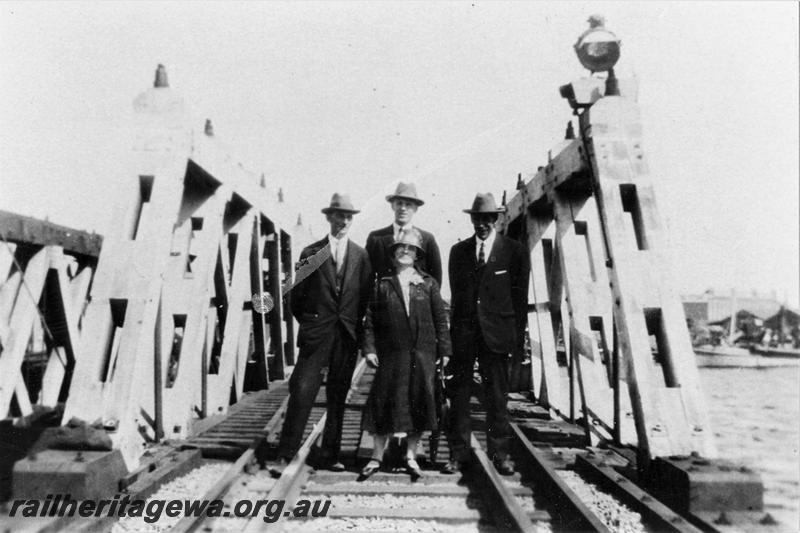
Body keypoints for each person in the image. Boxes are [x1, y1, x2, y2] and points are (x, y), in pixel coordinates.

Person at [272, 193, 373, 474]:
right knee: (303, 391)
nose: (343, 221)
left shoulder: (361, 256)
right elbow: (296, 297)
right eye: (339, 215)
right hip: (317, 334)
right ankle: (286, 453)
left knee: (338, 396)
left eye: (348, 216)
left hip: (346, 336)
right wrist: (311, 323)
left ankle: (331, 454)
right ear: (329, 217)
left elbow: (364, 297)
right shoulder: (311, 253)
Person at [442, 192, 530, 476]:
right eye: (477, 219)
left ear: (495, 220)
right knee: (459, 396)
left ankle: (500, 454)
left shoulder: (515, 251)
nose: (481, 224)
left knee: (497, 397)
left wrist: (516, 342)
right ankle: (458, 454)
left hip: (497, 335)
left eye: (486, 219)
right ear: (472, 220)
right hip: (465, 335)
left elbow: (519, 300)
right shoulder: (458, 253)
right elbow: (456, 299)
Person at [360, 228, 451, 479]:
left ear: (417, 254)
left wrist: (444, 349)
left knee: (419, 402)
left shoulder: (428, 284)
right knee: (384, 402)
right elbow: (369, 321)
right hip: (392, 353)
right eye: (401, 247)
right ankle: (376, 456)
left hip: (422, 353)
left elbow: (440, 319)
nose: (406, 252)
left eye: (411, 249)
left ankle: (411, 456)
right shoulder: (382, 285)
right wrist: (369, 349)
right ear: (393, 253)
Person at [365, 182, 443, 286]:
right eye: (399, 203)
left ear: (415, 208)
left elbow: (436, 278)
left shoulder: (427, 239)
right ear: (392, 206)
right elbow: (366, 276)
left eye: (408, 204)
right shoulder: (376, 238)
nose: (403, 208)